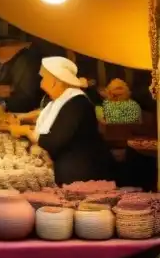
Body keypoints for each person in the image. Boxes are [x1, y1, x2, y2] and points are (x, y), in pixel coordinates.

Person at [10, 57, 114, 185]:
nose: (41, 83)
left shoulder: (76, 103)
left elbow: (53, 141)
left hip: (80, 174)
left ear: (55, 81)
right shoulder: (60, 101)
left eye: (43, 78)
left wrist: (26, 131)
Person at [0, 39, 43, 114]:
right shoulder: (6, 61)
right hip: (6, 100)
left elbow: (27, 98)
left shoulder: (25, 62)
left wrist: (6, 97)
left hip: (18, 104)